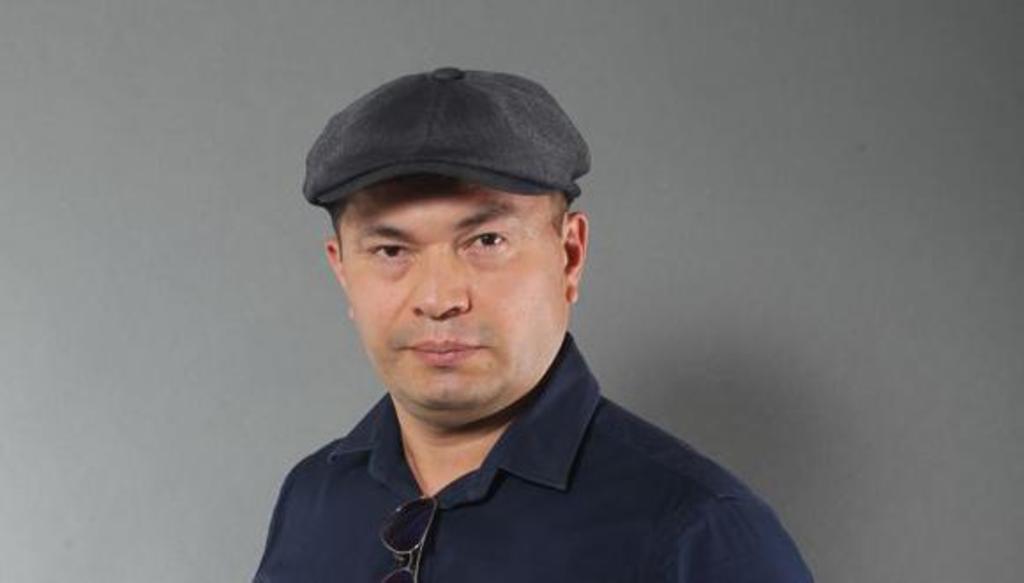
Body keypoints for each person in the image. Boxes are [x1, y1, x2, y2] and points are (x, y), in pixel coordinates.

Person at [252, 66, 814, 582]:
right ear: (342, 271)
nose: (439, 299)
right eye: (391, 250)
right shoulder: (313, 498)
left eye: (486, 241)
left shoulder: (699, 529)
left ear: (569, 255)